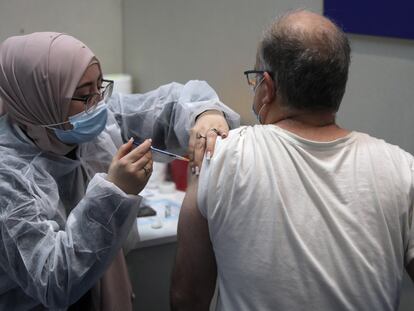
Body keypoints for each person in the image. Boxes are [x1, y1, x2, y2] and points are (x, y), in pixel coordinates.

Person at [171, 10, 414, 311]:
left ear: (267, 88)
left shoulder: (219, 157)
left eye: (255, 79)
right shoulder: (403, 170)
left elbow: (187, 297)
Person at [0, 32, 240, 310]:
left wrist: (204, 113)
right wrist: (114, 193)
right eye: (83, 95)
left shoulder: (95, 120)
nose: (97, 103)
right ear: (38, 101)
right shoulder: (8, 175)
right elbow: (53, 281)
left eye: (100, 86)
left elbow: (166, 106)